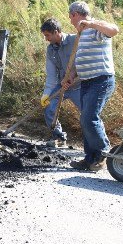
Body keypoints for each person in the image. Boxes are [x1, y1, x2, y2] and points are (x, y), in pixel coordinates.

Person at [62, 1, 119, 172]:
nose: (70, 21)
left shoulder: (96, 29)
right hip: (86, 82)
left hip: (101, 80)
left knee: (89, 118)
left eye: (70, 17)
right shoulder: (80, 34)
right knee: (86, 119)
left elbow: (114, 30)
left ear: (75, 14)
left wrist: (91, 23)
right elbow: (80, 59)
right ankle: (90, 159)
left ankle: (103, 152)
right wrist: (71, 76)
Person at [40, 18, 81, 147]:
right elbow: (52, 75)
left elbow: (87, 62)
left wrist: (74, 76)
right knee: (49, 106)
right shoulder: (51, 50)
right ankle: (58, 136)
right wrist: (46, 94)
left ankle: (95, 146)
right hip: (62, 85)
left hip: (80, 85)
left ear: (57, 32)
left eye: (47, 35)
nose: (46, 39)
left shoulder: (75, 40)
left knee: (88, 114)